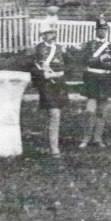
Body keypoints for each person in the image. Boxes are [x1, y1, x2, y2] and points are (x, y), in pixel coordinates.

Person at [30, 9, 68, 157]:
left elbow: (70, 64)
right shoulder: (38, 49)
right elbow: (33, 67)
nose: (53, 35)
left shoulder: (60, 48)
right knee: (54, 113)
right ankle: (54, 148)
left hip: (59, 84)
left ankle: (52, 144)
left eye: (53, 33)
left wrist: (63, 72)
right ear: (43, 35)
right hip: (46, 85)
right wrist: (43, 74)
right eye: (50, 33)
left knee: (56, 114)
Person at [79, 14, 111, 148]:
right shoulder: (89, 45)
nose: (102, 32)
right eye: (100, 29)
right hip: (92, 78)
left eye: (105, 30)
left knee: (102, 111)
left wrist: (108, 64)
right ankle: (86, 138)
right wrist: (98, 60)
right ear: (96, 30)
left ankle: (98, 138)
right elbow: (83, 60)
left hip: (105, 79)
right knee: (90, 110)